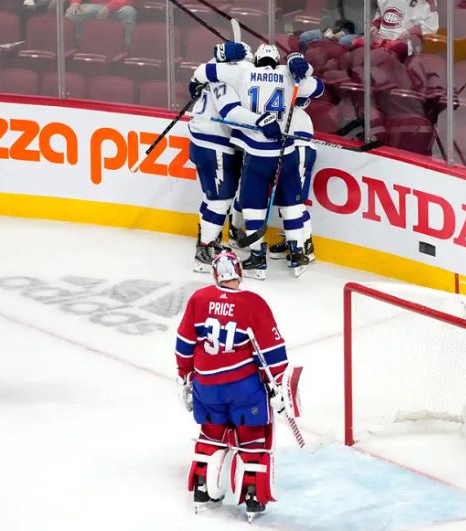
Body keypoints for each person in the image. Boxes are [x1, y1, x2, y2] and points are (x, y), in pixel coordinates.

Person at [175, 251, 295, 521]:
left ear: (216, 274)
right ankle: (253, 495)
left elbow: (184, 343)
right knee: (253, 436)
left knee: (211, 432)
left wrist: (185, 376)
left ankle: (203, 488)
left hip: (205, 385)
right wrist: (279, 385)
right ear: (239, 272)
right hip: (242, 388)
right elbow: (273, 351)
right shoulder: (253, 303)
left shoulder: (199, 298)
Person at [191, 44, 324, 279]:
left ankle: (255, 256)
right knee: (291, 203)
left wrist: (200, 76)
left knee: (245, 203)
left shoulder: (240, 72)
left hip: (253, 151)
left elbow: (205, 75)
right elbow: (318, 88)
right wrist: (302, 65)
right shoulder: (287, 73)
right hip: (284, 149)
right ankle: (298, 251)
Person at [187, 42, 281, 272]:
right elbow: (231, 112)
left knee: (214, 198)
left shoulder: (217, 68)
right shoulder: (229, 80)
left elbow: (196, 79)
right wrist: (262, 121)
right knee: (220, 200)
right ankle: (205, 251)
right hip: (213, 143)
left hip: (205, 140)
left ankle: (209, 238)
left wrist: (217, 53)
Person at [268, 99, 317, 264]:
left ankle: (306, 247)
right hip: (286, 149)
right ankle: (292, 239)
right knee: (286, 201)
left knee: (296, 203)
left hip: (298, 149)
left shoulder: (299, 114)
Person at [351, 0, 439, 60]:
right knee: (356, 43)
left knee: (393, 50)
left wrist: (412, 32)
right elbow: (380, 15)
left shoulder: (427, 2)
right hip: (381, 39)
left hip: (403, 42)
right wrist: (374, 27)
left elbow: (431, 27)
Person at [33, 1, 137, 47]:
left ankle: (126, 47)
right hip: (93, 6)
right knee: (72, 13)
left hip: (118, 7)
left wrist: (109, 7)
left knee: (129, 11)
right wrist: (75, 2)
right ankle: (77, 46)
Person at [298, 0, 364, 51]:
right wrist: (328, 29)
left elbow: (360, 24)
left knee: (343, 41)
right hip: (336, 27)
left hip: (356, 31)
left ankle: (338, 65)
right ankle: (309, 65)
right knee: (305, 37)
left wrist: (343, 33)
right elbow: (327, 15)